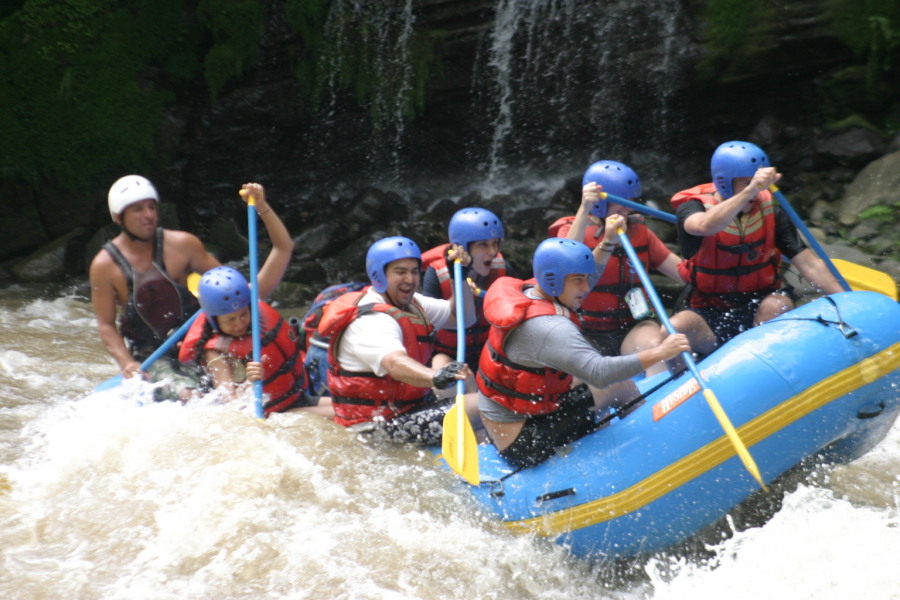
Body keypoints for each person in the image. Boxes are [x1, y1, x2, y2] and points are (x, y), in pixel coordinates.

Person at [476, 238, 690, 469]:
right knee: (620, 387)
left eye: (585, 279)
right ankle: (656, 452)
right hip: (523, 443)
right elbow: (599, 373)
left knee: (579, 379)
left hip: (508, 420)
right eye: (579, 280)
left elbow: (580, 280)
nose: (586, 288)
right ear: (553, 280)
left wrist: (607, 242)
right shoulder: (550, 328)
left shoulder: (530, 291)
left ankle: (606, 438)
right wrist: (661, 352)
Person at [667, 141, 843, 365]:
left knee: (777, 305)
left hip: (760, 302)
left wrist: (845, 298)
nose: (756, 190)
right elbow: (704, 226)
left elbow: (809, 264)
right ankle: (684, 390)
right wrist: (750, 191)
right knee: (673, 329)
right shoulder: (692, 208)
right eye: (747, 183)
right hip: (709, 309)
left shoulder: (771, 211)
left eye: (758, 183)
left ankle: (773, 367)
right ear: (724, 183)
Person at [178, 183, 332, 418]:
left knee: (357, 408)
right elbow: (232, 410)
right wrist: (251, 383)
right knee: (349, 415)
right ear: (214, 319)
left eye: (243, 314)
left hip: (297, 394)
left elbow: (283, 248)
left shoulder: (247, 298)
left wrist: (262, 206)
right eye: (230, 320)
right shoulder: (217, 352)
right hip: (275, 413)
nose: (240, 322)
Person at [317, 236, 478, 444]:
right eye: (400, 272)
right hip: (375, 429)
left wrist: (459, 279)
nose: (410, 280)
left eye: (413, 272)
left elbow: (462, 318)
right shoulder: (371, 320)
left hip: (406, 410)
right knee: (483, 405)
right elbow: (395, 363)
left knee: (467, 380)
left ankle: (484, 447)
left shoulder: (413, 304)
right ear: (378, 275)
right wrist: (437, 376)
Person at [89, 174, 221, 399]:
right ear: (119, 217)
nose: (149, 215)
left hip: (197, 344)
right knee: (189, 395)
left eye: (151, 207)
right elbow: (106, 326)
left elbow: (225, 284)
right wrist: (127, 364)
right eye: (138, 209)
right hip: (151, 356)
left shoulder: (183, 245)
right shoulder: (104, 265)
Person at [553, 160, 686, 375]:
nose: (627, 209)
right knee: (581, 373)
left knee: (655, 347)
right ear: (598, 202)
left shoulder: (639, 230)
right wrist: (586, 211)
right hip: (586, 332)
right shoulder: (572, 229)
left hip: (632, 326)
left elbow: (683, 272)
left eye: (631, 202)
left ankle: (664, 402)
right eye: (620, 203)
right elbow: (568, 260)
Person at [421, 207, 511, 380]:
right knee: (441, 368)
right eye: (483, 245)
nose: (492, 252)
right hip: (448, 353)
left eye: (495, 243)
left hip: (489, 352)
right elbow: (430, 324)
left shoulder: (502, 267)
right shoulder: (436, 274)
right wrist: (460, 290)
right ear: (462, 248)